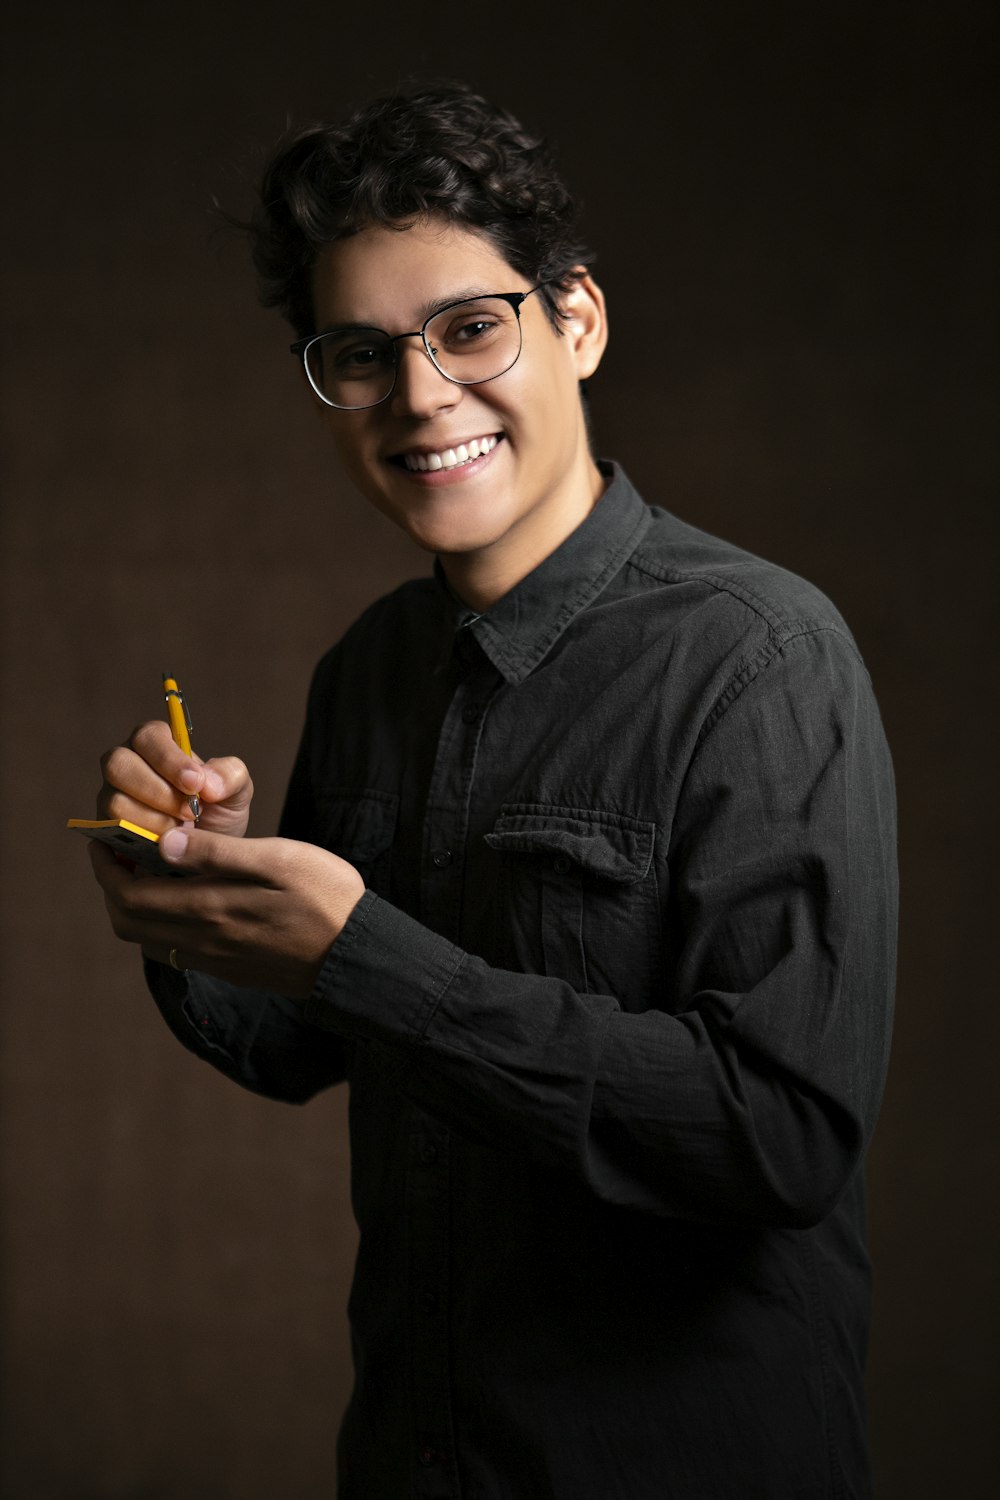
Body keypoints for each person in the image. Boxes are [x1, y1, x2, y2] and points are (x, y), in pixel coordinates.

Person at [89, 82, 897, 1500]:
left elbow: (780, 1138)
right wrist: (191, 900)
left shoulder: (761, 658)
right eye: (359, 354)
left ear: (574, 320)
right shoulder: (370, 671)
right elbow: (304, 1046)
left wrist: (367, 953)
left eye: (469, 327)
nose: (418, 397)